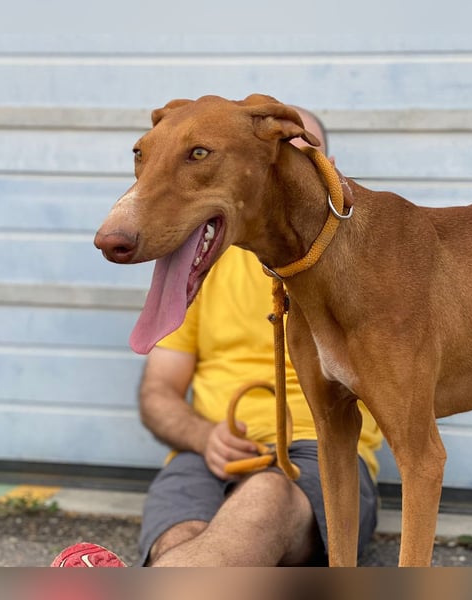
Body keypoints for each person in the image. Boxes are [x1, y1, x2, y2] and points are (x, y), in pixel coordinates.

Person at [134, 107, 384, 567]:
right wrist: (203, 435)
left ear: (327, 167)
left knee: (268, 497)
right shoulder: (202, 263)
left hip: (320, 452)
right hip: (204, 456)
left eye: (296, 153)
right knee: (181, 539)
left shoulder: (361, 264)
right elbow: (158, 391)